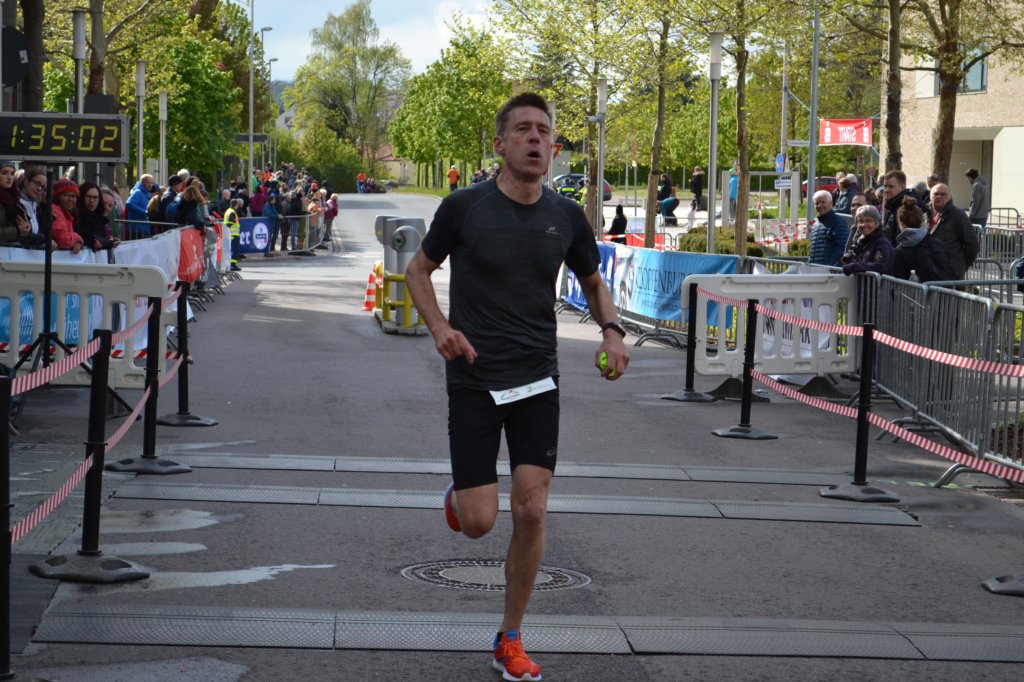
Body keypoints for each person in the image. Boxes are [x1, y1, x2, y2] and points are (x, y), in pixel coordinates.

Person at [404, 91, 628, 682]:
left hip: (536, 378)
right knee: (480, 521)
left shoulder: (566, 215)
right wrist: (440, 328)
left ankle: (510, 637)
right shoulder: (464, 207)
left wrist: (611, 332)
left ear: (553, 147)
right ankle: (460, 499)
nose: (535, 139)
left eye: (544, 131)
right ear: (500, 144)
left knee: (531, 510)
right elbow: (418, 270)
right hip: (475, 378)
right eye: (523, 129)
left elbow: (592, 280)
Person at [892, 195, 956, 283]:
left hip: (915, 292)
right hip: (946, 290)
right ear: (922, 220)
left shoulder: (900, 251)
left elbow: (899, 285)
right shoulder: (938, 243)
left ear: (901, 224)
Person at [929, 183, 979, 280]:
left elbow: (972, 245)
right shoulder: (925, 213)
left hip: (951, 273)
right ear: (930, 196)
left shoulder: (958, 216)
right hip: (930, 271)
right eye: (936, 194)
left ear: (949, 196)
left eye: (943, 194)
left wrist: (961, 265)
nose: (939, 196)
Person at [842, 205, 894, 276]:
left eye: (868, 220)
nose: (864, 224)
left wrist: (854, 266)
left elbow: (880, 267)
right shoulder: (862, 241)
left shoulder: (882, 244)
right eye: (861, 221)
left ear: (877, 222)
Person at [880, 170, 929, 245]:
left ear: (902, 187)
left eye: (891, 186)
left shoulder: (907, 207)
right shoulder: (895, 204)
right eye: (885, 186)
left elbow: (905, 240)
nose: (886, 190)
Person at [808, 190, 849, 267]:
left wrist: (828, 266)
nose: (819, 205)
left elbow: (841, 248)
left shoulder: (839, 222)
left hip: (830, 271)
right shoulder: (815, 225)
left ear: (831, 203)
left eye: (823, 202)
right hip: (816, 269)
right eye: (817, 203)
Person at [75, 182, 117, 252]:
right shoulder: (76, 216)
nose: (91, 201)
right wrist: (108, 243)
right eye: (88, 197)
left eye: (95, 197)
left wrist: (110, 242)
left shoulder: (100, 222)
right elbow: (90, 238)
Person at [50, 178, 84, 253]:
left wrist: (76, 243)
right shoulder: (55, 211)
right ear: (57, 196)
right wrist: (78, 237)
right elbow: (64, 241)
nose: (71, 199)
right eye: (66, 195)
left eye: (74, 196)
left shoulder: (66, 213)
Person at [125, 174, 156, 238]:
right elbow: (129, 203)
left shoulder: (146, 193)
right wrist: (145, 212)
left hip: (144, 228)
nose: (150, 185)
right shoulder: (138, 192)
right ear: (142, 183)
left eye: (151, 183)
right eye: (148, 182)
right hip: (138, 229)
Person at [223, 198, 242, 271]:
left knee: (231, 250)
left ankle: (231, 265)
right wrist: (233, 222)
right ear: (236, 205)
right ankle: (232, 265)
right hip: (233, 234)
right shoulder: (232, 212)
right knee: (235, 250)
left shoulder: (227, 211)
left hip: (229, 233)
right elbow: (229, 223)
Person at [262, 192, 281, 257]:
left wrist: (278, 215)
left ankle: (267, 251)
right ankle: (266, 252)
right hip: (268, 224)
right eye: (274, 199)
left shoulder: (272, 206)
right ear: (271, 200)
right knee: (268, 238)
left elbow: (275, 212)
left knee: (269, 238)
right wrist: (277, 216)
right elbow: (269, 214)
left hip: (271, 223)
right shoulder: (267, 206)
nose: (275, 200)